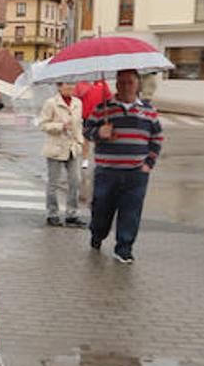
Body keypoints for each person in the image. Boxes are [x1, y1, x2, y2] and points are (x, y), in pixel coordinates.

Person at [83, 69, 164, 264]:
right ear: (116, 85)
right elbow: (86, 131)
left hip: (136, 173)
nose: (126, 86)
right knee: (102, 209)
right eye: (121, 82)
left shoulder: (148, 111)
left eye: (130, 82)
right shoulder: (103, 109)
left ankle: (124, 248)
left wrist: (148, 164)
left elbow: (157, 137)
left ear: (137, 85)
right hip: (107, 171)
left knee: (131, 213)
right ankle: (97, 234)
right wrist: (99, 132)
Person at [38, 82, 85, 227]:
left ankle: (72, 214)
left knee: (75, 181)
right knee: (54, 183)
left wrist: (80, 140)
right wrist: (60, 126)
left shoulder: (78, 103)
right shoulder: (51, 103)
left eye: (72, 85)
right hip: (56, 148)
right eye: (67, 85)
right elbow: (42, 124)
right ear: (59, 87)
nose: (71, 88)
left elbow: (79, 124)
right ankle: (52, 213)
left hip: (73, 147)